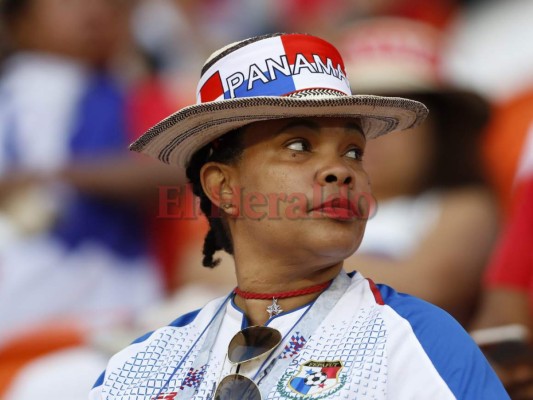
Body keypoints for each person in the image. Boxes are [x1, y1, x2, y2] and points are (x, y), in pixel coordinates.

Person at [90, 33, 508, 399]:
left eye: (352, 152)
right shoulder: (137, 368)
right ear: (222, 188)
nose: (340, 169)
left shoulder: (418, 340)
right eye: (299, 145)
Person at [337, 17, 499, 325]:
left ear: (442, 129)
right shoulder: (304, 203)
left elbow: (427, 286)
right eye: (355, 117)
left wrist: (278, 264)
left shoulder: (463, 205)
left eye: (396, 119)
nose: (373, 136)